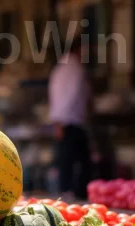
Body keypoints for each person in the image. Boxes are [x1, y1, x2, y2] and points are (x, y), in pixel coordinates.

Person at [48, 35, 92, 200]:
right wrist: (60, 119)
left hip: (65, 120)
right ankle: (72, 193)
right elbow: (70, 96)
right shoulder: (74, 68)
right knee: (76, 160)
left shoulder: (61, 67)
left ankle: (69, 192)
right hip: (70, 120)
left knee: (71, 159)